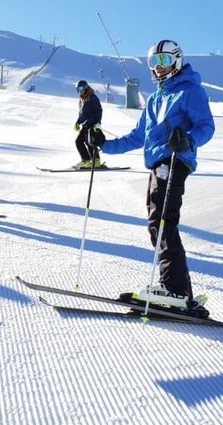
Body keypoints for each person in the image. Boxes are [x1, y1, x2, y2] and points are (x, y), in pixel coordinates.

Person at [88, 40, 215, 315]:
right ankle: (176, 289)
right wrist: (104, 144)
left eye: (164, 60)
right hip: (157, 163)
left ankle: (174, 289)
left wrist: (187, 140)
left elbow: (206, 126)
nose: (158, 67)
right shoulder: (157, 98)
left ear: (177, 61)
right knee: (157, 224)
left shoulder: (190, 90)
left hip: (175, 160)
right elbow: (138, 136)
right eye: (154, 62)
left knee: (164, 222)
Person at [72, 80, 104, 169]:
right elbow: (82, 114)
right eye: (78, 89)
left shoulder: (93, 98)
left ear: (86, 88)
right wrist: (78, 122)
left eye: (81, 89)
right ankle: (86, 160)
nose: (80, 91)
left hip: (93, 125)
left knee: (90, 142)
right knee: (78, 141)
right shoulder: (82, 99)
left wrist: (97, 123)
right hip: (86, 125)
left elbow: (99, 111)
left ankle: (96, 160)